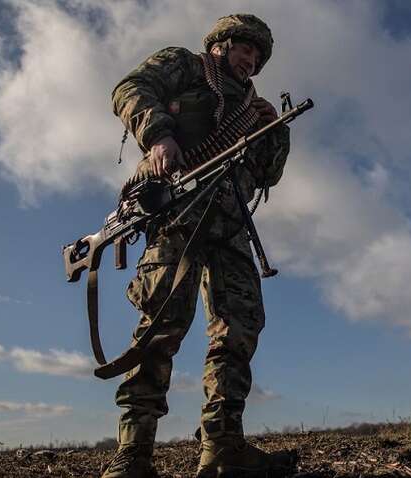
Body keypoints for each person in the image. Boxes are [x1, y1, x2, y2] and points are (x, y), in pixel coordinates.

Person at [102, 13, 295, 478]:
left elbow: (269, 175)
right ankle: (134, 455)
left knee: (239, 330)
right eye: (244, 49)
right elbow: (129, 89)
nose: (250, 60)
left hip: (230, 228)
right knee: (159, 330)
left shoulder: (255, 106)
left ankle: (223, 448)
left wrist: (276, 132)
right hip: (179, 217)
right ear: (221, 45)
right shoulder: (185, 67)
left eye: (257, 55)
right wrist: (159, 137)